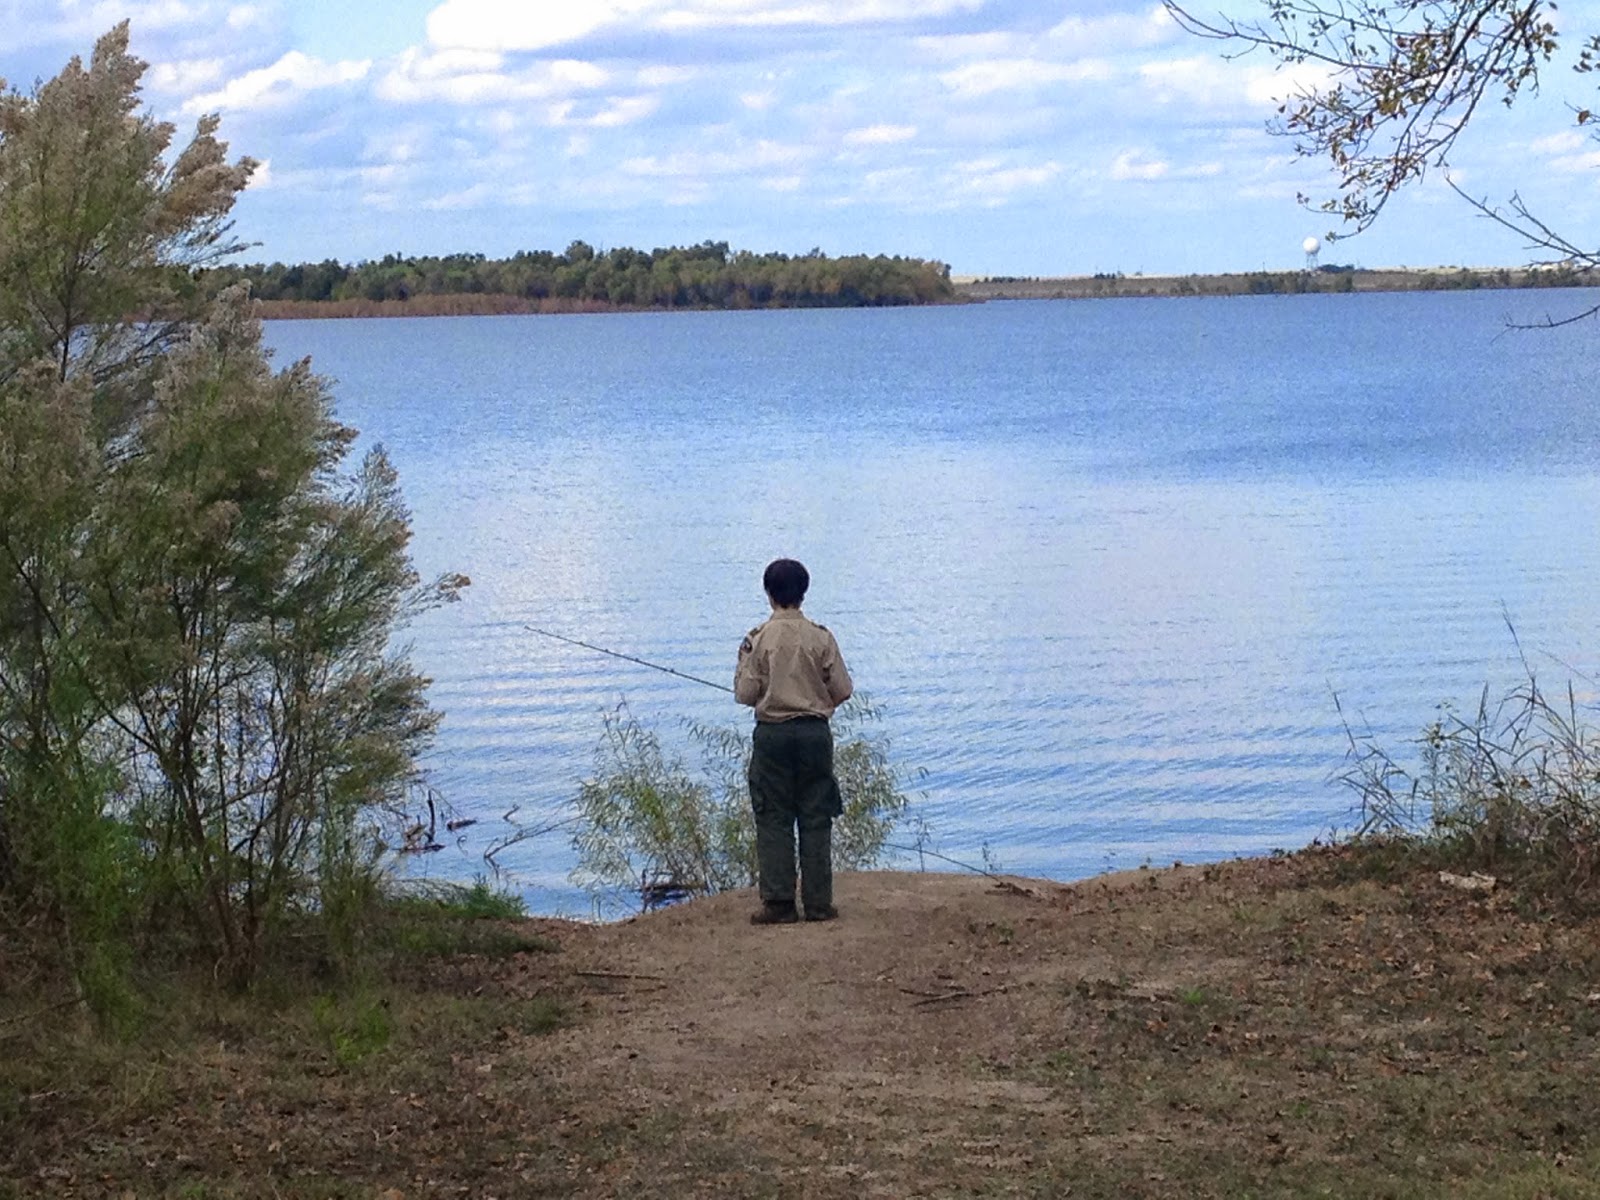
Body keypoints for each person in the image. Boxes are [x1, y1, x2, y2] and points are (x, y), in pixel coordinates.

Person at [734, 558, 854, 925]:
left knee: (773, 816)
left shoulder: (757, 639)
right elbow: (843, 689)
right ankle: (818, 904)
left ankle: (780, 903)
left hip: (772, 735)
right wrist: (814, 703)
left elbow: (745, 694)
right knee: (816, 815)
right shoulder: (821, 637)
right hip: (815, 735)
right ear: (804, 593)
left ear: (768, 593)